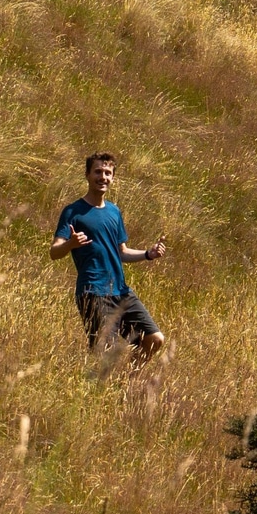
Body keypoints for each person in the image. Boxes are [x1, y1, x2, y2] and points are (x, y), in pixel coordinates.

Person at [51, 152, 167, 360]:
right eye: (97, 172)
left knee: (155, 338)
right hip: (93, 292)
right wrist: (71, 243)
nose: (102, 177)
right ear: (87, 175)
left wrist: (148, 254)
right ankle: (98, 390)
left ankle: (129, 384)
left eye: (107, 173)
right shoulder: (73, 212)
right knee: (105, 353)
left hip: (121, 292)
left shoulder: (114, 211)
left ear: (113, 177)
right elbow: (54, 251)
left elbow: (121, 252)